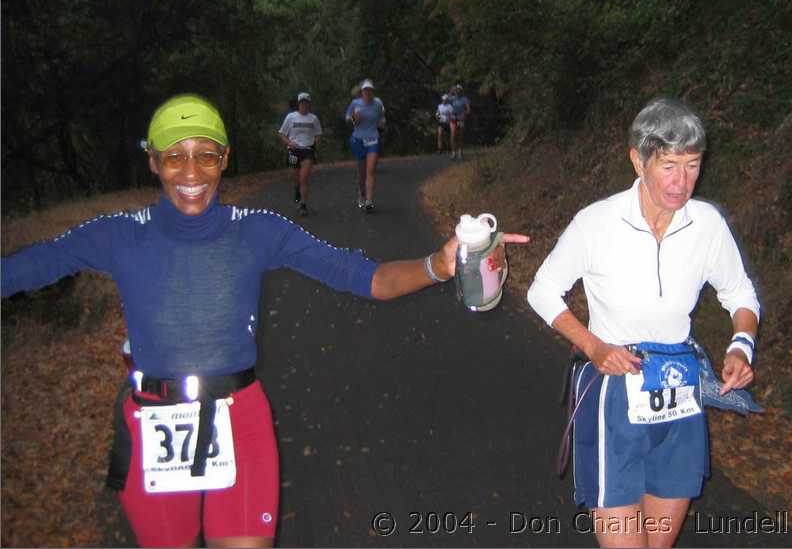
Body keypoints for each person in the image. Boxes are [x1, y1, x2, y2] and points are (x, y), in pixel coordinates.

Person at [1, 92, 529, 548]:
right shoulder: (118, 234)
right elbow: (28, 267)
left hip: (240, 420)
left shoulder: (256, 230)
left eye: (205, 155)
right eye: (175, 157)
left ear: (224, 158)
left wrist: (438, 265)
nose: (191, 172)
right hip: (152, 423)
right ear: (154, 162)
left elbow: (365, 277)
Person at [527, 97, 759, 548]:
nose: (682, 181)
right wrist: (593, 347)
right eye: (669, 165)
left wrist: (740, 346)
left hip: (681, 393)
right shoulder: (597, 223)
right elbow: (542, 290)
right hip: (614, 392)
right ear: (639, 159)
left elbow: (740, 294)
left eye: (693, 165)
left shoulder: (707, 224)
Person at [344, 79, 386, 213]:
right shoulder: (355, 104)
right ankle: (361, 193)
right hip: (358, 139)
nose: (368, 92)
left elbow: (382, 117)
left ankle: (369, 201)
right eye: (365, 90)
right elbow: (347, 119)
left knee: (371, 169)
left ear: (373, 91)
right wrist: (354, 119)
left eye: (370, 90)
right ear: (362, 92)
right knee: (362, 172)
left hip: (373, 138)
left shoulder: (378, 103)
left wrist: (382, 123)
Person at [278, 92, 322, 216]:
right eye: (302, 102)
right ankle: (297, 188)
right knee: (295, 176)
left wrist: (314, 143)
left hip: (307, 150)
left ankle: (303, 204)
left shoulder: (313, 118)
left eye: (306, 102)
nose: (304, 105)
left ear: (309, 104)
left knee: (304, 177)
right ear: (299, 104)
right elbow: (281, 133)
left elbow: (318, 133)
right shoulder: (291, 117)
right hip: (293, 151)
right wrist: (289, 142)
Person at [448, 84, 470, 160]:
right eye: (456, 90)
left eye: (459, 90)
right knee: (453, 134)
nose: (457, 91)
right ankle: (453, 152)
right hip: (453, 118)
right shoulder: (452, 98)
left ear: (461, 91)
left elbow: (468, 109)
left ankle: (460, 152)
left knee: (460, 135)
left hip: (461, 118)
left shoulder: (464, 99)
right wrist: (451, 90)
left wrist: (465, 114)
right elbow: (446, 99)